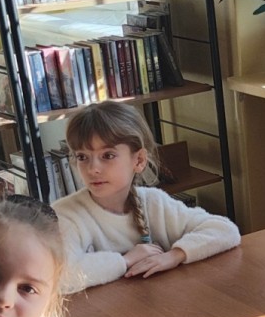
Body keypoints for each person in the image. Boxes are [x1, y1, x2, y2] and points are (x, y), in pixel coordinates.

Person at [53, 101, 240, 292]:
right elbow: (61, 277)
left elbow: (226, 230)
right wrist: (126, 260)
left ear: (139, 160)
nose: (93, 169)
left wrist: (175, 255)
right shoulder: (64, 215)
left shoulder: (154, 202)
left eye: (107, 156)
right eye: (82, 157)